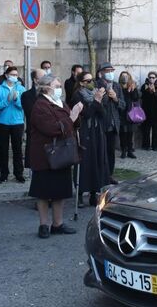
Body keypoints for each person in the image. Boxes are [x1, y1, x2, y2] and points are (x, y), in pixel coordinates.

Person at [27, 75, 83, 238]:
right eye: (56, 86)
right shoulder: (40, 105)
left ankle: (57, 223)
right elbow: (51, 128)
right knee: (44, 192)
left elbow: (71, 124)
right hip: (45, 154)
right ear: (46, 87)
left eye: (60, 85)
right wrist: (70, 118)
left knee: (60, 191)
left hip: (62, 154)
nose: (59, 89)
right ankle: (43, 224)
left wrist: (76, 115)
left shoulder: (60, 103)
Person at [73, 72, 109, 207]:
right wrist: (96, 101)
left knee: (97, 160)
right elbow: (86, 114)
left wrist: (98, 101)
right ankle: (80, 193)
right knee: (84, 162)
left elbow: (103, 113)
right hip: (84, 131)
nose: (91, 83)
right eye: (88, 81)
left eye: (92, 80)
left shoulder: (97, 93)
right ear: (82, 83)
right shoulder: (77, 95)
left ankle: (94, 193)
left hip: (97, 131)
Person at [0, 65, 27, 183]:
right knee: (3, 150)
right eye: (12, 75)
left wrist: (16, 100)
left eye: (16, 75)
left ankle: (19, 173)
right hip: (2, 122)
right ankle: (4, 174)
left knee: (17, 149)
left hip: (17, 123)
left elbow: (23, 106)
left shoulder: (21, 88)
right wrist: (7, 100)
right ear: (6, 75)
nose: (14, 77)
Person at [96, 63, 126, 178]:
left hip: (113, 125)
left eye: (112, 71)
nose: (110, 73)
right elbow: (97, 104)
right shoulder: (97, 84)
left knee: (110, 152)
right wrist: (106, 96)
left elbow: (123, 105)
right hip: (102, 123)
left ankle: (110, 175)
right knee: (101, 151)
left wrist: (115, 98)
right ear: (101, 73)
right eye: (107, 71)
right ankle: (101, 175)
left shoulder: (117, 86)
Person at [21, 68, 43, 170]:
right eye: (43, 77)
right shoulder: (26, 95)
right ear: (35, 80)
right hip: (34, 129)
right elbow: (31, 113)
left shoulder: (49, 93)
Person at [139, 71, 157, 151]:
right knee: (146, 129)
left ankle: (155, 146)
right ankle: (146, 145)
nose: (151, 79)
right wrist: (148, 90)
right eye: (150, 77)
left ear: (156, 78)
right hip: (147, 111)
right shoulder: (144, 86)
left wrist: (155, 91)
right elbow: (142, 97)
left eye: (153, 77)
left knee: (155, 130)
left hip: (156, 111)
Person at [118, 71, 139, 159]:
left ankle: (130, 150)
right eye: (123, 76)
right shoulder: (118, 86)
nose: (125, 78)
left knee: (130, 132)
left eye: (126, 76)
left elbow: (136, 98)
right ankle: (123, 150)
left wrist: (132, 90)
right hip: (121, 112)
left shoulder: (132, 86)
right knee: (122, 133)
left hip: (130, 112)